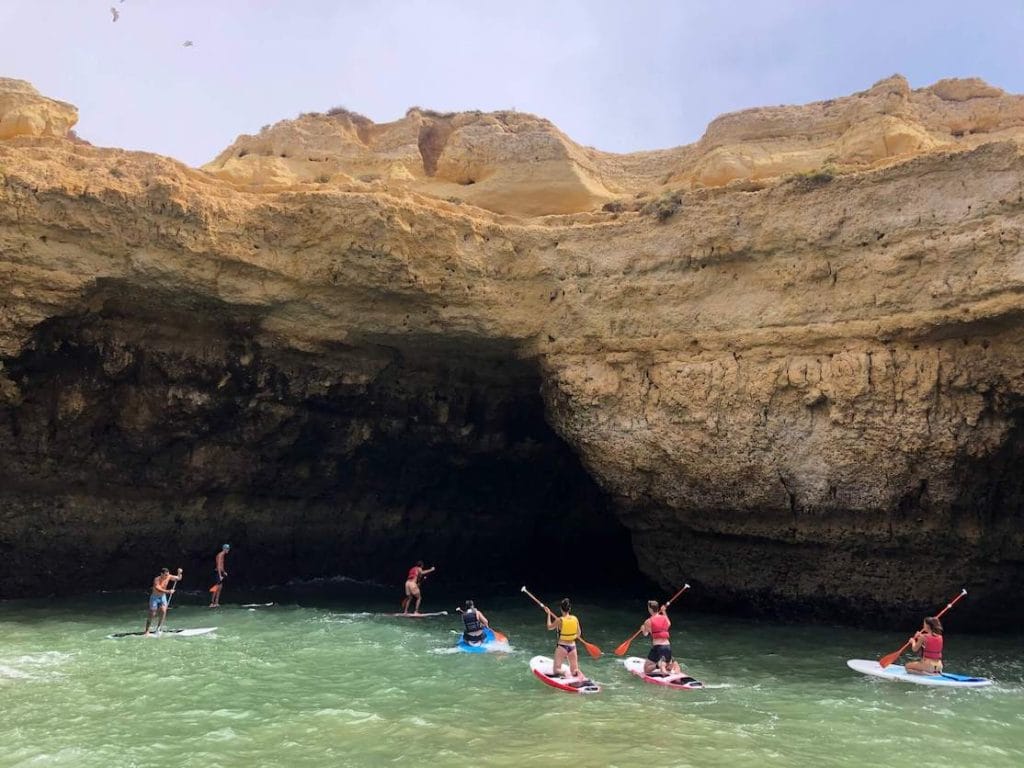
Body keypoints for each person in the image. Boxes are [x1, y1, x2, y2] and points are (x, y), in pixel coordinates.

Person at [641, 599, 684, 676]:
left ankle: (659, 665)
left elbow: (645, 634)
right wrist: (664, 611)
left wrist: (643, 629)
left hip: (657, 647)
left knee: (646, 670)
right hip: (667, 646)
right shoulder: (664, 618)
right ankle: (671, 664)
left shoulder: (648, 621)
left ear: (650, 609)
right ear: (658, 608)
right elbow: (669, 624)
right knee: (670, 667)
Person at [546, 598, 581, 678]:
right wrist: (571, 636)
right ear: (569, 609)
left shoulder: (559, 620)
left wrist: (548, 614)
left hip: (562, 646)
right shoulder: (575, 618)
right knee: (574, 669)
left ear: (561, 609)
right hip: (572, 646)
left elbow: (549, 627)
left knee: (556, 670)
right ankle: (576, 673)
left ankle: (565, 672)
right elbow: (578, 633)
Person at [144, 567, 182, 636]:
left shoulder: (169, 576)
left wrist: (179, 573)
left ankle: (158, 629)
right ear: (161, 574)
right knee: (152, 613)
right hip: (155, 597)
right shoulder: (157, 579)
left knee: (164, 611)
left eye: (167, 575)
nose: (167, 576)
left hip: (162, 597)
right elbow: (158, 589)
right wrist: (168, 591)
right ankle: (147, 631)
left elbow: (178, 578)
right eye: (165, 575)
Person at [209, 544, 230, 608]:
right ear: (224, 549)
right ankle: (212, 603)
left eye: (228, 549)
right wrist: (220, 575)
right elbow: (218, 566)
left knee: (220, 587)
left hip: (220, 572)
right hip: (218, 572)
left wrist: (224, 572)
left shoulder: (223, 555)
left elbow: (221, 565)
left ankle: (217, 602)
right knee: (217, 587)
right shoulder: (220, 555)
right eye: (227, 549)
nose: (228, 550)